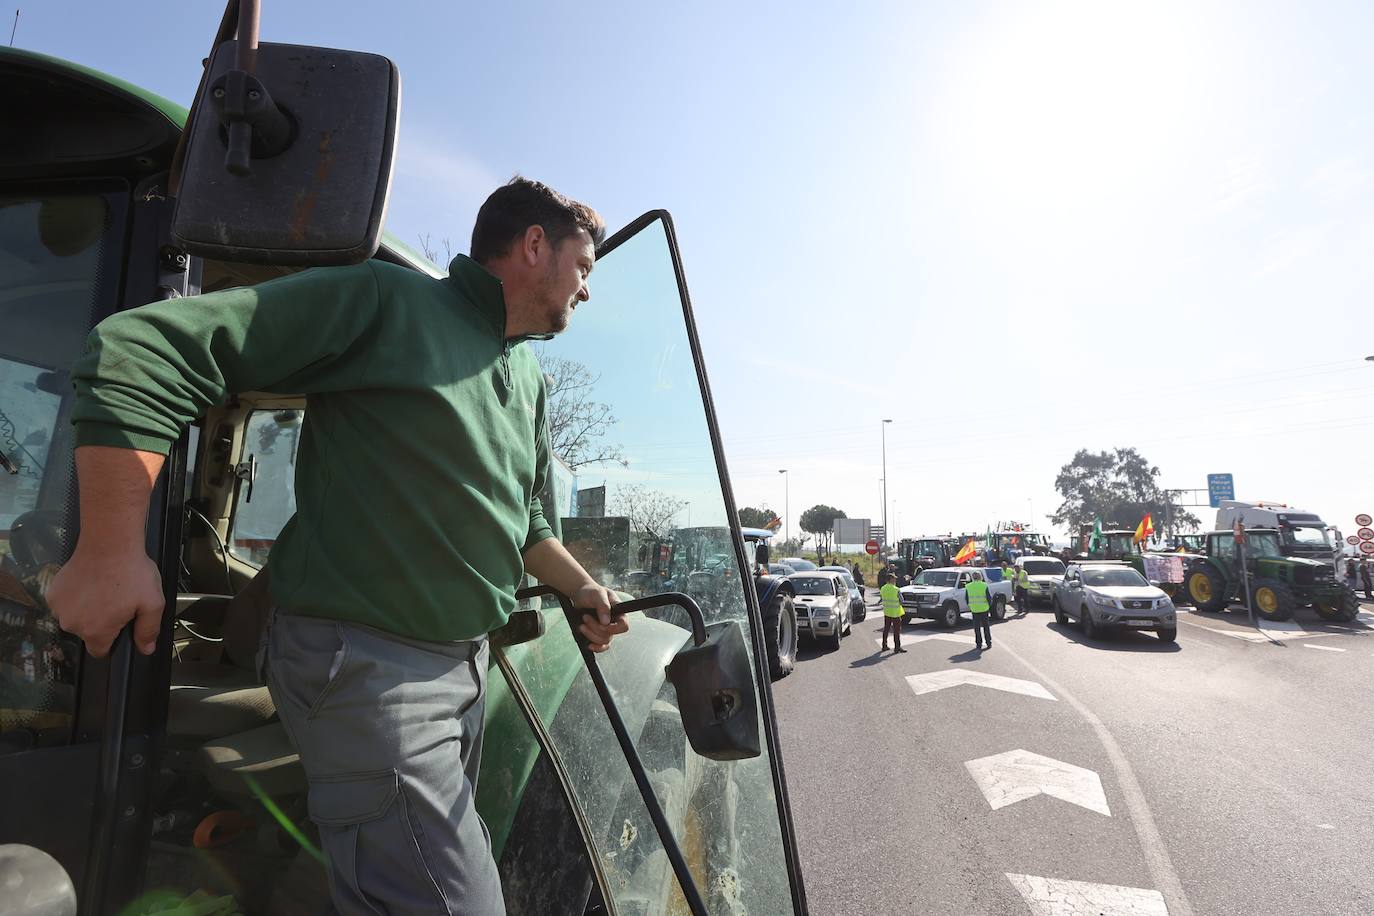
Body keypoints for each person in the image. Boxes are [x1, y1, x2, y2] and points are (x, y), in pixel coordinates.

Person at [48, 177, 627, 915]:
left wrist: (579, 587)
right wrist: (108, 552)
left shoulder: (527, 375)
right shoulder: (385, 302)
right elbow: (141, 351)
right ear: (534, 244)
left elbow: (529, 524)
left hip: (466, 667)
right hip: (367, 665)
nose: (586, 291)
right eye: (584, 268)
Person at [878, 570, 906, 653]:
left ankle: (884, 645)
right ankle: (897, 647)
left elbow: (882, 598)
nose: (895, 581)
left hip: (887, 612)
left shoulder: (883, 588)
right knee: (896, 631)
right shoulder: (896, 589)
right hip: (896, 613)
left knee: (886, 629)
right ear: (890, 580)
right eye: (894, 579)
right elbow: (902, 601)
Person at [966, 571, 993, 650]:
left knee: (976, 627)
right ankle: (988, 642)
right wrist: (989, 606)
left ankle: (978, 644)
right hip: (984, 608)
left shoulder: (968, 586)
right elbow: (989, 598)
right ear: (980, 577)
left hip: (974, 609)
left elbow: (966, 599)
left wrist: (970, 606)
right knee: (986, 627)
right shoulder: (984, 585)